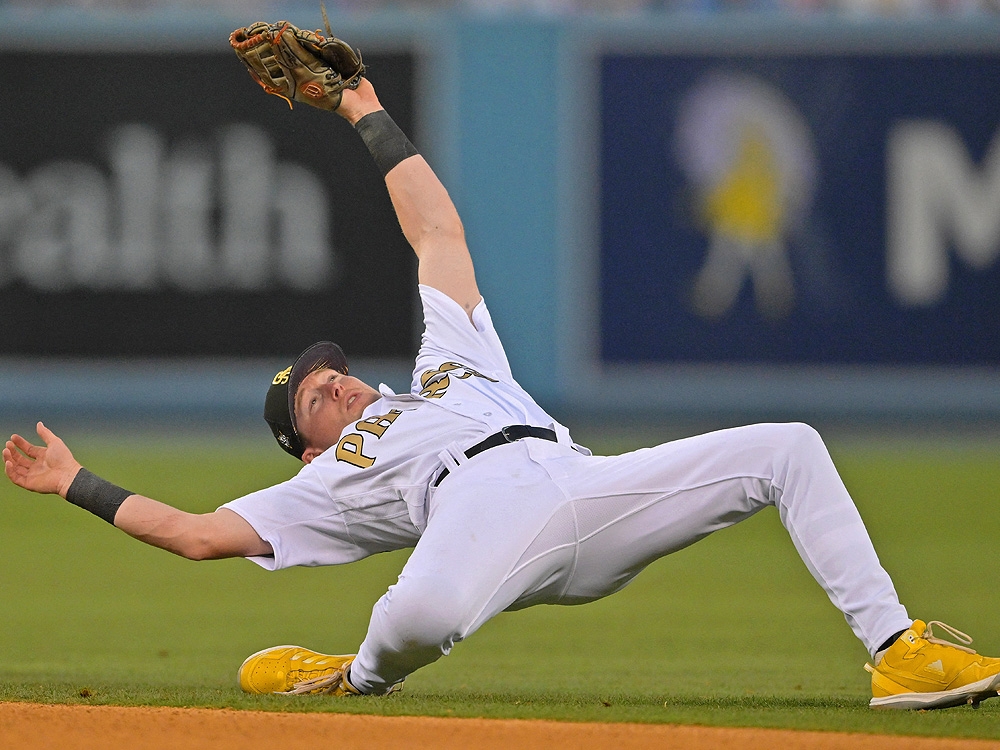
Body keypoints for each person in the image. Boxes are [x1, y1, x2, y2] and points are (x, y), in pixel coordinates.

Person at [5, 74, 1000, 711]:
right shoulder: (325, 485)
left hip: (581, 487)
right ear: (304, 446)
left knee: (787, 446)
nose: (332, 381)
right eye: (311, 394)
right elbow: (193, 532)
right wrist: (75, 481)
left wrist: (358, 102)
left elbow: (436, 231)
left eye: (330, 368)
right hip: (474, 518)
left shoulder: (448, 361)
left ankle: (896, 649)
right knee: (411, 618)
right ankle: (350, 679)